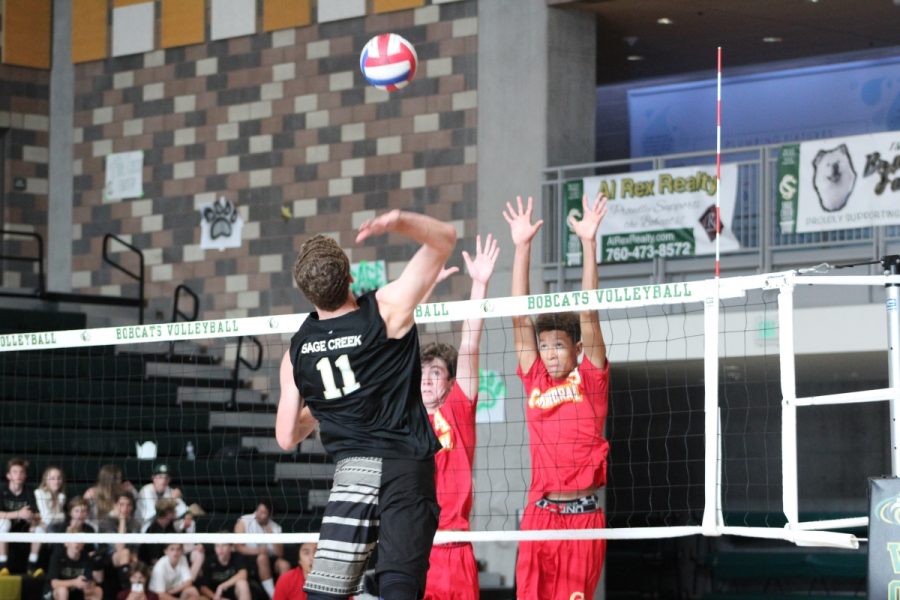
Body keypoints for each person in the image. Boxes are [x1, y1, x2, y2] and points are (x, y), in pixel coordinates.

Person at [276, 209, 457, 600]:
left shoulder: (296, 351)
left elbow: (287, 436)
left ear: (307, 292)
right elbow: (444, 237)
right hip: (405, 465)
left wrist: (324, 409)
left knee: (327, 593)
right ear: (350, 277)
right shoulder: (385, 311)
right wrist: (395, 221)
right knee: (398, 585)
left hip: (353, 472)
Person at [503, 193, 611, 600]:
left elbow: (589, 313)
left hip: (582, 518)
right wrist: (522, 246)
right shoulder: (535, 380)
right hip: (539, 515)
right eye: (544, 346)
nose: (549, 354)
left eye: (558, 346)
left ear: (577, 349)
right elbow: (519, 317)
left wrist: (587, 242)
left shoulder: (592, 382)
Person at [419, 235, 499, 600]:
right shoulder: (406, 415)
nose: (427, 379)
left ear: (451, 382)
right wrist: (423, 289)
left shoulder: (458, 409)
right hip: (415, 549)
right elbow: (396, 341)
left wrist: (479, 283)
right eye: (422, 372)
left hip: (456, 548)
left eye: (435, 373)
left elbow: (469, 344)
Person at [233, 501, 289, 598]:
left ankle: (286, 594)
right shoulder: (244, 521)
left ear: (269, 515)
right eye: (258, 511)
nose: (259, 514)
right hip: (249, 557)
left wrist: (272, 537)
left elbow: (279, 553)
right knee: (262, 557)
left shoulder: (275, 527)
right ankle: (273, 596)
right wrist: (259, 551)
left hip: (270, 558)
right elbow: (238, 547)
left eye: (263, 513)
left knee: (284, 564)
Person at [0, 457, 37, 574]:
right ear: (8, 475)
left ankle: (32, 565)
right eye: (15, 472)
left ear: (25, 476)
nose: (19, 475)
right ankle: (3, 566)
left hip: (24, 527)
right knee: (3, 523)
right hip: (6, 526)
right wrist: (18, 514)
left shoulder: (30, 492)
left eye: (22, 472)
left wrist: (31, 517)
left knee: (39, 527)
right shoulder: (1, 490)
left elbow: (35, 514)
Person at [34, 465, 67, 573]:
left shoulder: (62, 496)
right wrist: (59, 517)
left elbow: (55, 519)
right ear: (46, 480)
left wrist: (59, 517)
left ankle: (55, 569)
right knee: (39, 531)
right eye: (52, 478)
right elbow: (47, 518)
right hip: (36, 526)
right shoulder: (40, 493)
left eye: (59, 478)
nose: (56, 481)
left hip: (55, 528)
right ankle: (32, 564)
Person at [136, 465, 190, 530]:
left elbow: (184, 510)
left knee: (190, 522)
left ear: (169, 480)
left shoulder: (170, 490)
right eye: (160, 477)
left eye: (166, 477)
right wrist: (172, 499)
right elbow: (158, 514)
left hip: (167, 523)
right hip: (146, 525)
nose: (163, 480)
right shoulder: (145, 490)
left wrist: (188, 515)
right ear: (153, 478)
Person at [83, 464, 136, 530]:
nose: (120, 481)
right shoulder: (91, 494)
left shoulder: (123, 492)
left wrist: (133, 491)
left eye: (120, 478)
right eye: (118, 478)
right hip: (97, 529)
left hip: (119, 526)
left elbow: (134, 511)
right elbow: (85, 518)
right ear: (109, 480)